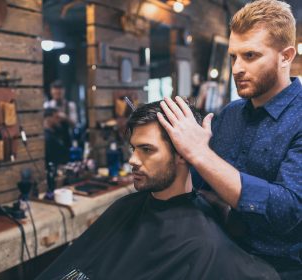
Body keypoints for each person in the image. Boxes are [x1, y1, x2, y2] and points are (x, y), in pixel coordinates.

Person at [36, 101, 279, 280]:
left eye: (147, 150)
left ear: (184, 154)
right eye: (133, 148)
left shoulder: (202, 244)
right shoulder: (127, 207)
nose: (132, 159)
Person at [158, 0, 301, 278]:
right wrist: (173, 155)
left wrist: (202, 154)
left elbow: (289, 210)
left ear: (286, 56)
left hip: (278, 269)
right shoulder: (231, 114)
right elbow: (204, 181)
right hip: (218, 251)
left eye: (250, 55)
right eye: (233, 57)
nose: (236, 68)